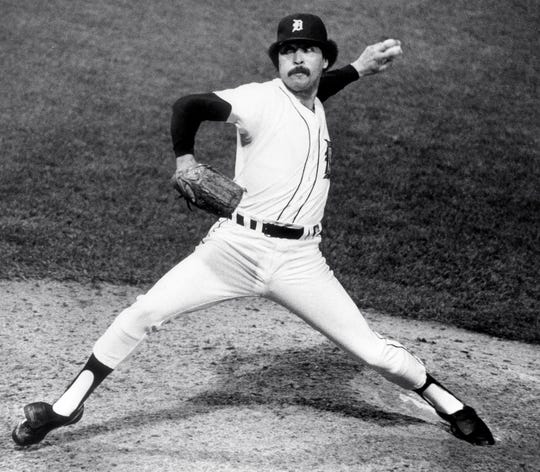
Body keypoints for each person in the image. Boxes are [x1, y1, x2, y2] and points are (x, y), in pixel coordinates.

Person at [12, 13, 494, 447]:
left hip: (301, 261)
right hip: (234, 248)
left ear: (323, 60)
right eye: (287, 51)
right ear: (278, 61)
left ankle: (447, 403)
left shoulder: (313, 100)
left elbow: (315, 92)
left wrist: (362, 68)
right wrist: (185, 158)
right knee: (143, 313)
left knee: (377, 354)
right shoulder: (258, 100)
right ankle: (64, 407)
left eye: (307, 51)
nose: (296, 58)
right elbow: (188, 105)